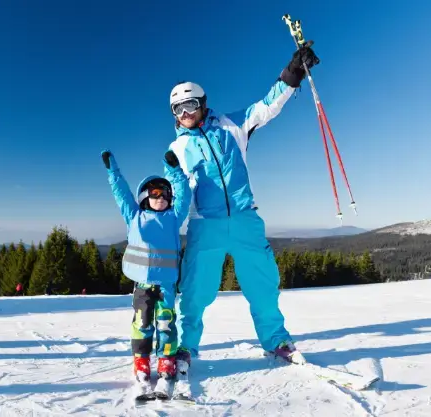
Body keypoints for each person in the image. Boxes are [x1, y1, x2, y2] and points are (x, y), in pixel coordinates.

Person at [166, 43, 320, 373]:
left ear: (203, 104)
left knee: (263, 284)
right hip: (205, 225)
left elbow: (267, 107)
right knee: (194, 290)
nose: (185, 114)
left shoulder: (232, 126)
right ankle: (184, 347)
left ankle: (276, 340)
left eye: (190, 105)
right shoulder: (176, 148)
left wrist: (292, 74)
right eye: (177, 110)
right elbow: (176, 192)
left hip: (245, 218)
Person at [101, 148, 191, 393]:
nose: (160, 197)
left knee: (165, 323)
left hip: (166, 286)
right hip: (142, 285)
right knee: (142, 324)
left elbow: (184, 194)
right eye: (154, 193)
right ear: (145, 196)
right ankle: (141, 362)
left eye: (164, 194)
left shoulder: (174, 217)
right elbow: (121, 194)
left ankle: (166, 360)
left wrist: (174, 171)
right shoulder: (134, 216)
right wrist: (113, 171)